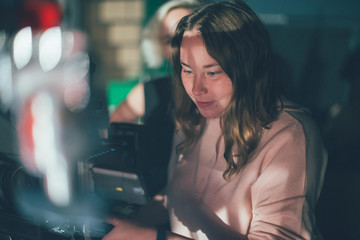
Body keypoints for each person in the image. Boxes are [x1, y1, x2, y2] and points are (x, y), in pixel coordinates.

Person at [103, 1, 327, 239]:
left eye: (212, 72)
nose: (196, 89)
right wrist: (127, 224)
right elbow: (177, 196)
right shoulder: (192, 117)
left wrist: (151, 236)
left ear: (248, 68)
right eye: (187, 70)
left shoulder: (289, 135)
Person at [108, 0, 199, 197]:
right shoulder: (150, 92)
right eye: (168, 40)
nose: (178, 45)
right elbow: (115, 126)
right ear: (159, 46)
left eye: (186, 33)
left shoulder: (224, 88)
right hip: (157, 198)